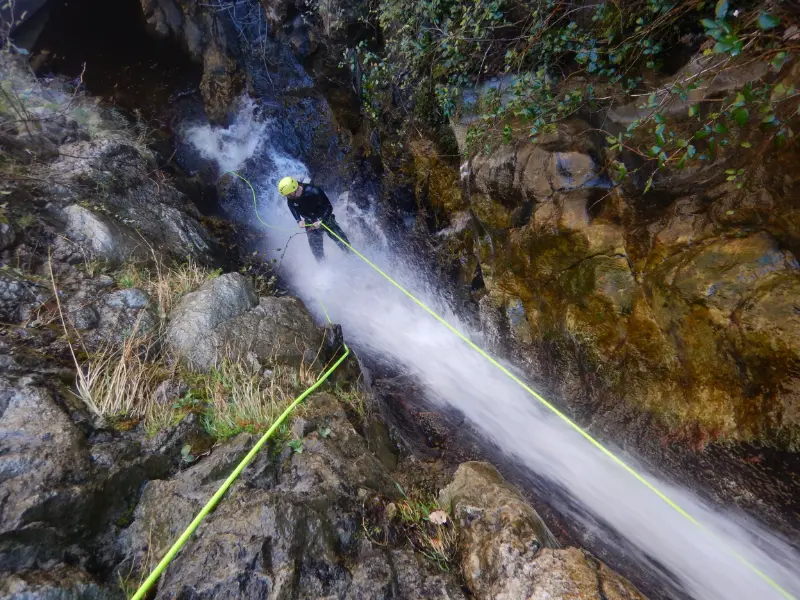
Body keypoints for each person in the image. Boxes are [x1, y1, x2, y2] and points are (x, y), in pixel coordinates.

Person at [278, 176, 351, 261]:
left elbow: (329, 207)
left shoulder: (314, 191)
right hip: (310, 221)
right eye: (286, 195)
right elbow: (292, 207)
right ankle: (323, 265)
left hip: (325, 217)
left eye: (288, 195)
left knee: (342, 241)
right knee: (316, 249)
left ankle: (351, 256)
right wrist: (298, 220)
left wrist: (322, 221)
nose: (287, 197)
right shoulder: (291, 197)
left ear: (294, 189)